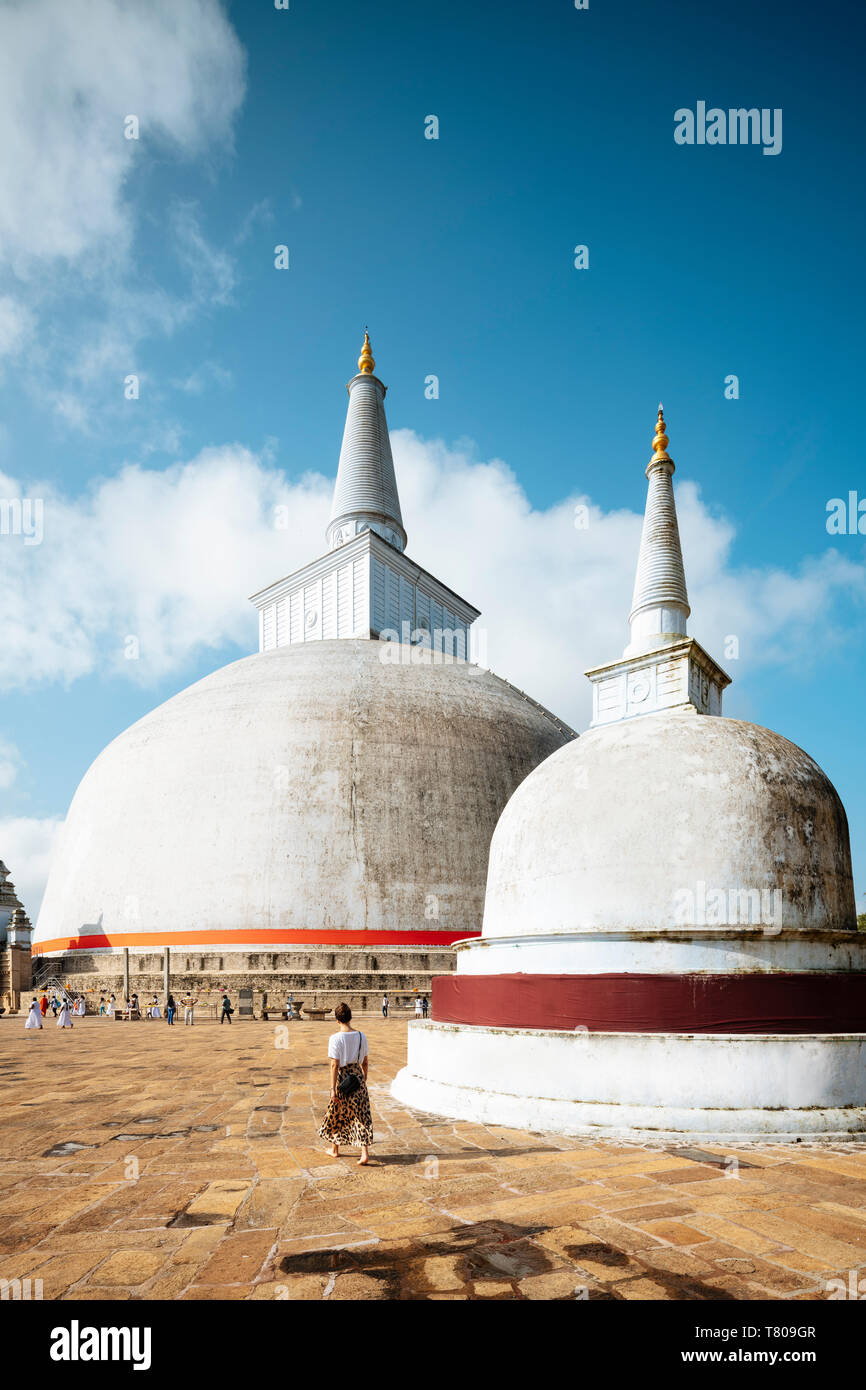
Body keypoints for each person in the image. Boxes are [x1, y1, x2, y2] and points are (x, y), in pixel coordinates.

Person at [319, 1002, 372, 1166]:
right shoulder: (361, 1036)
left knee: (337, 1113)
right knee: (361, 1115)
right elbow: (365, 1062)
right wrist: (364, 1080)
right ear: (350, 1018)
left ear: (337, 1020)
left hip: (343, 1079)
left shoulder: (335, 1039)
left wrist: (333, 1089)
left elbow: (334, 1065)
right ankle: (364, 1154)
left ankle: (335, 1150)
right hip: (358, 1078)